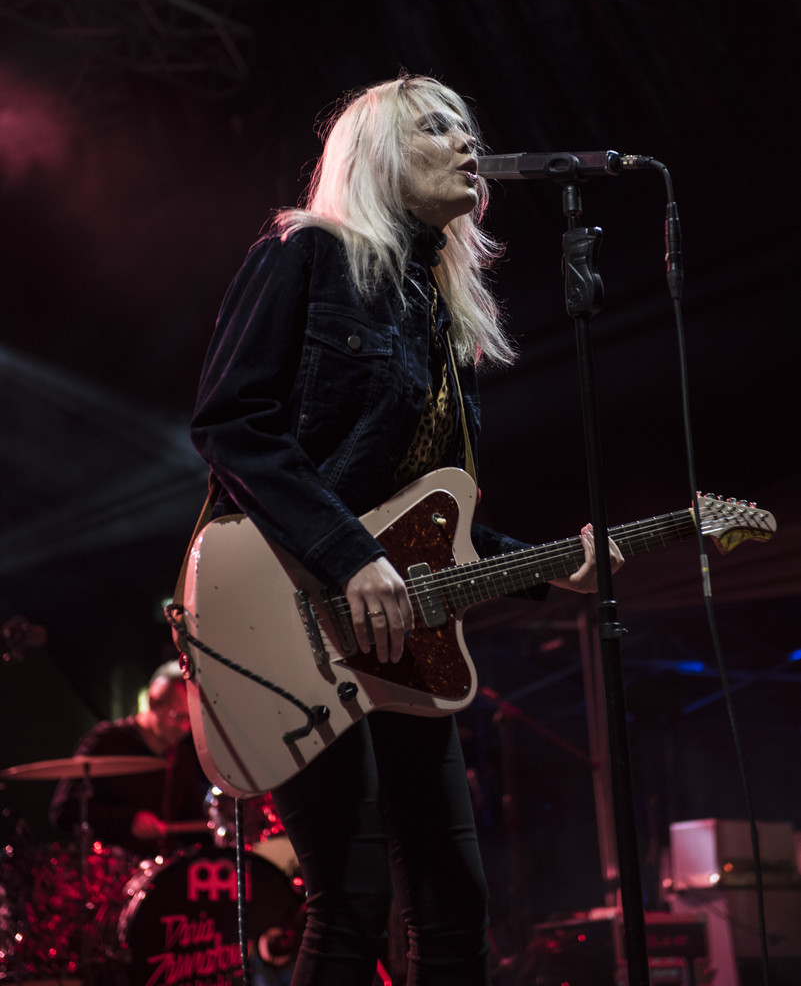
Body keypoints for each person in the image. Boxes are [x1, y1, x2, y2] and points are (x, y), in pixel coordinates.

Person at [189, 73, 623, 986]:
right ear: (379, 154)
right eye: (436, 128)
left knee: (453, 903)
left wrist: (560, 567)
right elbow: (232, 423)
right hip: (288, 607)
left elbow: (428, 522)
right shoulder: (305, 253)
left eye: (467, 128)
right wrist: (349, 559)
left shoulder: (437, 311)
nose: (468, 144)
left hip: (398, 639)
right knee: (349, 903)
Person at [49, 660, 209, 857]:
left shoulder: (182, 756)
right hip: (110, 866)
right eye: (177, 715)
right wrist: (128, 820)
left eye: (191, 719)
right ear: (152, 702)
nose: (184, 727)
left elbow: (193, 825)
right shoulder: (106, 743)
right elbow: (63, 811)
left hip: (163, 869)